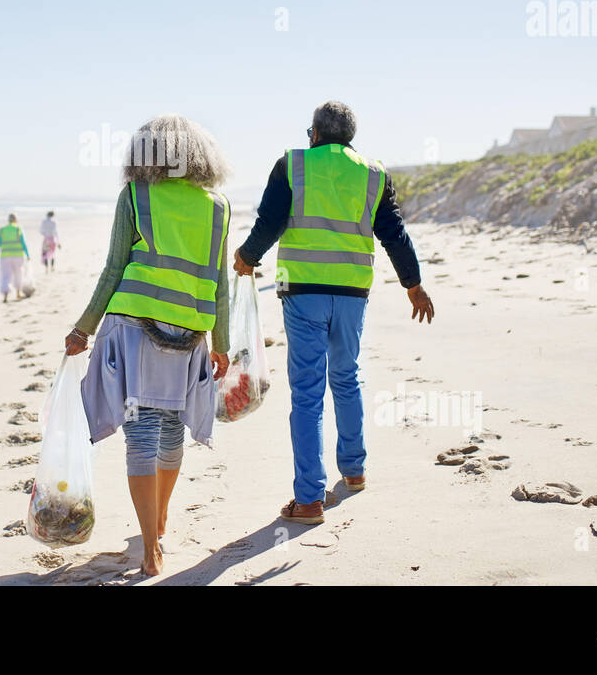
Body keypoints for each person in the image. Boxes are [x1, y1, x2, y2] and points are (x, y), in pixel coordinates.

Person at [234, 101, 434, 526]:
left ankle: (309, 500)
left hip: (302, 291)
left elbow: (269, 222)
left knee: (307, 391)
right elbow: (394, 233)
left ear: (316, 133)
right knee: (346, 377)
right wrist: (412, 285)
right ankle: (354, 470)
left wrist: (247, 257)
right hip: (351, 293)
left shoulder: (293, 164)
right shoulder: (373, 173)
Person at [65, 114, 231, 576]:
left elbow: (115, 265)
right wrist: (222, 342)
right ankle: (156, 527)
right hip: (190, 330)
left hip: (136, 325)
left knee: (141, 434)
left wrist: (83, 328)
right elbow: (220, 282)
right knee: (172, 431)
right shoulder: (217, 205)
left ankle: (152, 551)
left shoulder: (135, 195)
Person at [0, 213, 30, 302]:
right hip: (17, 255)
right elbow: (24, 243)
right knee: (18, 274)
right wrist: (27, 255)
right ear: (16, 220)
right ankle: (18, 293)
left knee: (5, 275)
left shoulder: (2, 230)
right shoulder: (18, 229)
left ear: (8, 220)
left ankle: (5, 296)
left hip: (5, 256)